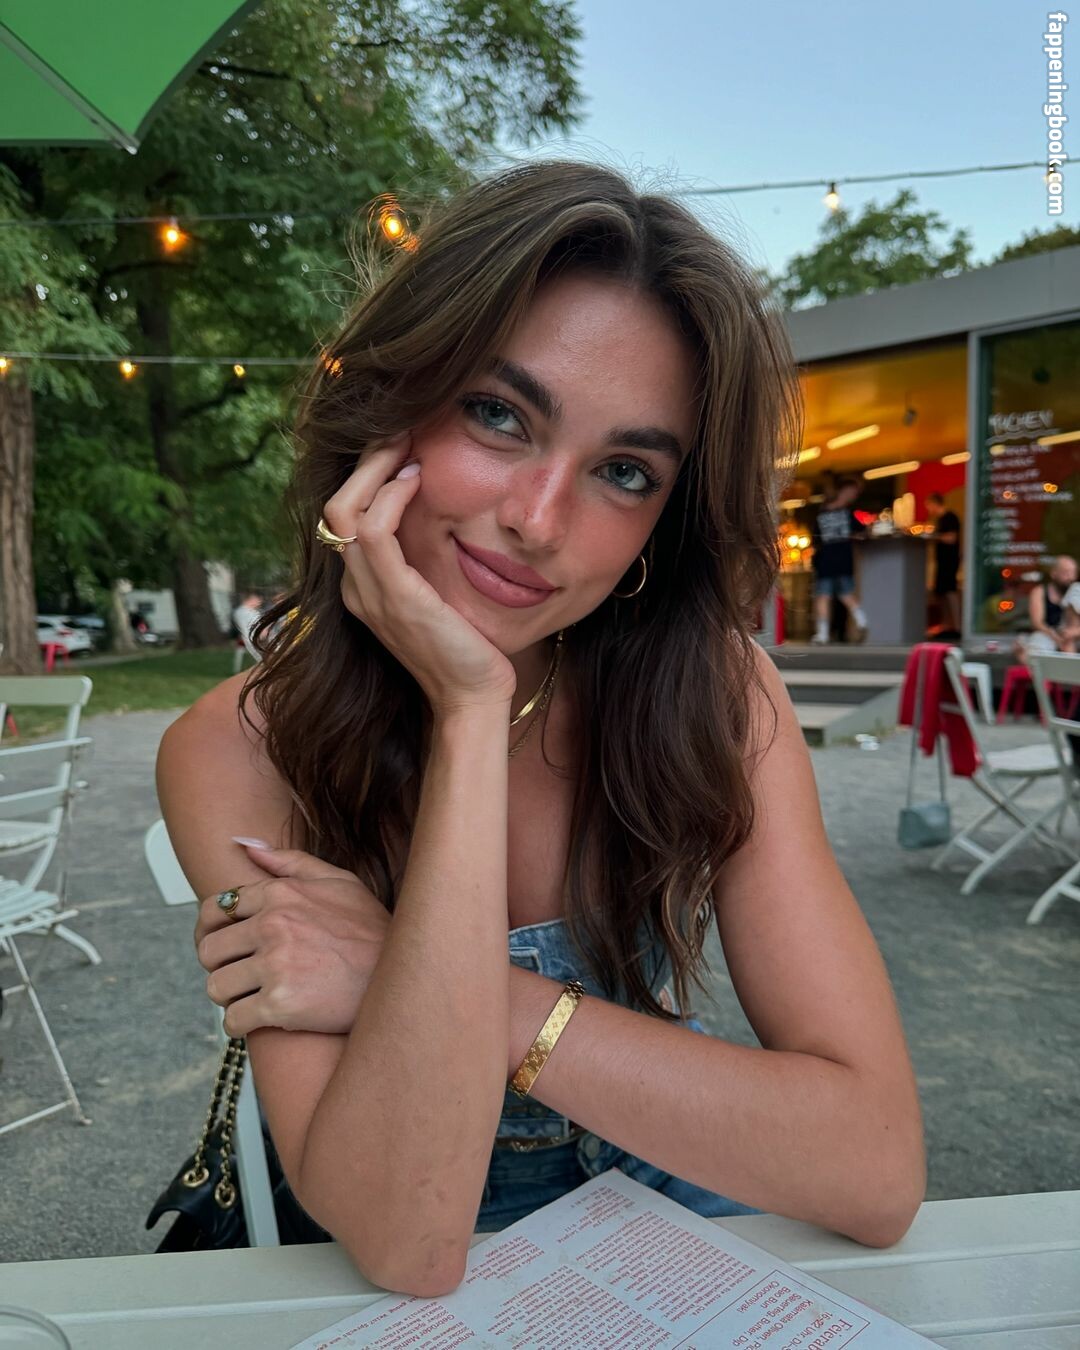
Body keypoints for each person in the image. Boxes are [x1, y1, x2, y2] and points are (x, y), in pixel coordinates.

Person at [156, 161, 924, 1295]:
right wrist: (469, 712)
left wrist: (424, 982)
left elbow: (876, 1168)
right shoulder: (240, 748)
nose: (538, 519)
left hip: (663, 1220)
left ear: (662, 524)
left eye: (624, 472)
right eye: (499, 415)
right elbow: (409, 1241)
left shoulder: (719, 696)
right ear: (392, 408)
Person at [810, 477, 870, 644]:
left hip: (826, 559)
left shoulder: (821, 514)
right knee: (845, 593)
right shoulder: (847, 514)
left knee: (823, 596)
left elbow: (815, 540)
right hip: (843, 558)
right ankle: (862, 620)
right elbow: (864, 532)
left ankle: (822, 634)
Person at [1014, 555, 1078, 663]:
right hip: (1047, 634)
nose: (1070, 577)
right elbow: (1037, 623)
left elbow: (1074, 625)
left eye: (1073, 572)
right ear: (1054, 573)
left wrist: (1074, 632)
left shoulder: (1076, 591)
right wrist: (1056, 637)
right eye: (1066, 572)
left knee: (1069, 645)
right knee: (1038, 646)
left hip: (1072, 636)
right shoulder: (1040, 592)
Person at [925, 494, 961, 638]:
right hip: (942, 560)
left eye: (929, 506)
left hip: (949, 560)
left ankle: (956, 626)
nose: (929, 510)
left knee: (950, 590)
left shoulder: (950, 518)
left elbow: (951, 538)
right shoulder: (940, 520)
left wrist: (934, 536)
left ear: (935, 503)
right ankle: (947, 626)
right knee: (941, 593)